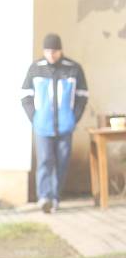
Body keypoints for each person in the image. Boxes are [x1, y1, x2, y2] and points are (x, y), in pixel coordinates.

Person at [21, 33, 88, 213]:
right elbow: (25, 95)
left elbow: (82, 96)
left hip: (65, 125)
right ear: (44, 51)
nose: (51, 55)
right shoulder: (36, 69)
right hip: (42, 126)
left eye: (55, 51)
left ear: (61, 50)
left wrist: (74, 117)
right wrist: (34, 117)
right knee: (45, 161)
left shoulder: (73, 68)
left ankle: (55, 197)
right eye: (48, 51)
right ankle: (44, 197)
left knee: (62, 162)